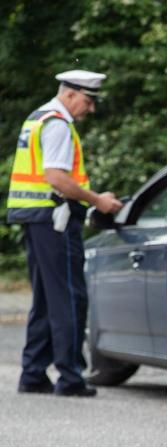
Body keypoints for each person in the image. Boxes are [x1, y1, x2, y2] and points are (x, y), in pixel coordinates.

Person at [6, 69, 123, 397]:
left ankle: (32, 373)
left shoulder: (38, 117)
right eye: (88, 101)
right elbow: (56, 178)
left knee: (45, 299)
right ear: (70, 94)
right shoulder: (58, 124)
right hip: (54, 221)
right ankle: (70, 377)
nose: (91, 109)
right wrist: (97, 200)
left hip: (37, 220)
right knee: (70, 298)